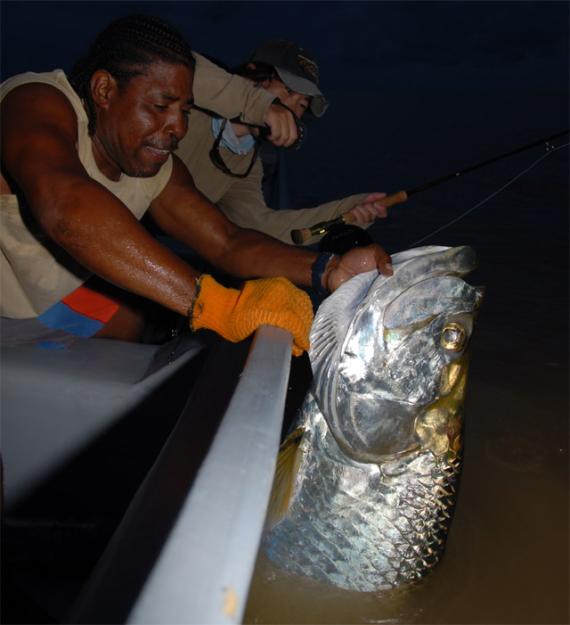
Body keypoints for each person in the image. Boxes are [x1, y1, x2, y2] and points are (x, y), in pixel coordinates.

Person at [0, 14, 392, 357]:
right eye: (160, 106)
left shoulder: (159, 166)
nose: (178, 128)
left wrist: (328, 269)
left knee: (130, 323)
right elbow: (65, 205)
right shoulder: (37, 101)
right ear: (104, 91)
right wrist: (218, 305)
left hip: (43, 297)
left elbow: (228, 241)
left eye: (185, 111)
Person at [174, 39, 389, 247]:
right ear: (253, 74)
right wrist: (260, 105)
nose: (293, 110)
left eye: (302, 105)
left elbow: (261, 227)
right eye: (289, 91)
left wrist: (346, 213)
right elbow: (166, 58)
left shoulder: (245, 166)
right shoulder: (188, 93)